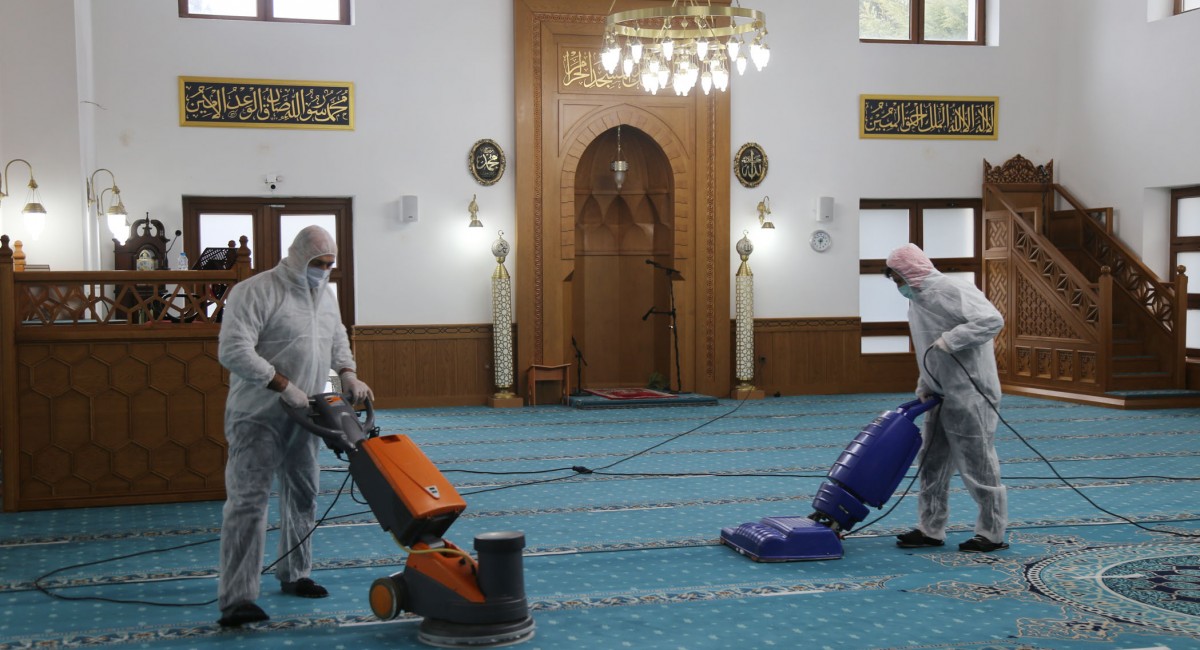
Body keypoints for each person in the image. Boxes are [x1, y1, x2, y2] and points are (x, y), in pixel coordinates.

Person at [215, 225, 374, 626]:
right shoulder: (255, 291)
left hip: (307, 414)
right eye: (318, 263)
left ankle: (295, 572)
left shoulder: (325, 295)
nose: (324, 270)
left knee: (303, 494)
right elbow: (233, 350)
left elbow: (334, 338)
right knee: (249, 503)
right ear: (298, 257)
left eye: (329, 264)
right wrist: (282, 385)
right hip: (258, 416)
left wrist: (348, 375)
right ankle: (237, 598)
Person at [885, 243, 1009, 553]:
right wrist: (924, 383)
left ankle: (991, 533)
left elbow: (992, 320)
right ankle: (931, 529)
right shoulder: (916, 301)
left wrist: (953, 339)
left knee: (978, 463)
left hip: (972, 392)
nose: (898, 286)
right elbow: (928, 349)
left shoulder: (952, 289)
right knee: (931, 462)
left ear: (910, 272)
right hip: (939, 392)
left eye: (898, 278)